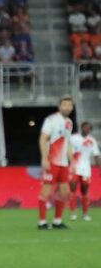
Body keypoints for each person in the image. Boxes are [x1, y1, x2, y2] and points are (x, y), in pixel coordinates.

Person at [37, 95, 74, 229]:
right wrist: (44, 158)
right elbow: (43, 138)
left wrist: (72, 162)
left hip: (63, 163)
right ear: (59, 106)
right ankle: (42, 222)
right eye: (65, 105)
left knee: (64, 191)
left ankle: (57, 221)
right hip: (52, 161)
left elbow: (67, 143)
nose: (67, 107)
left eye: (69, 105)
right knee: (46, 190)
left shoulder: (69, 122)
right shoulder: (51, 120)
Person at [69, 121, 100, 221]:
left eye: (89, 128)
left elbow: (96, 155)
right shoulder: (73, 138)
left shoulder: (92, 141)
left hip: (86, 169)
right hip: (74, 167)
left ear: (90, 130)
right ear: (81, 127)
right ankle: (73, 213)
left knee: (84, 191)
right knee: (72, 189)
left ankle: (85, 214)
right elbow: (67, 150)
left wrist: (99, 168)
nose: (87, 129)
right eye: (85, 127)